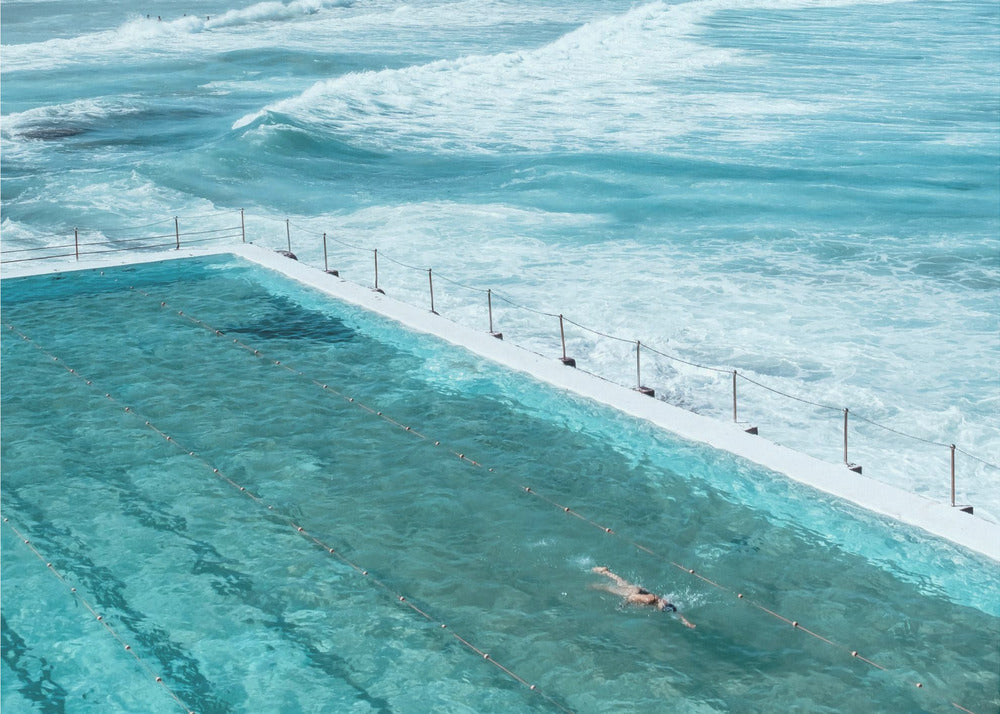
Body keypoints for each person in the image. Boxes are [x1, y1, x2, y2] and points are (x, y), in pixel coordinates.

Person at [592, 566, 695, 628]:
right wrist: (623, 605)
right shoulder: (649, 600)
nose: (662, 608)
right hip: (632, 592)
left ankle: (606, 571)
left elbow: (676, 612)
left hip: (637, 589)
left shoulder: (662, 602)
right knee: (609, 588)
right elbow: (631, 597)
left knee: (620, 582)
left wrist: (687, 622)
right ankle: (593, 585)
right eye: (662, 608)